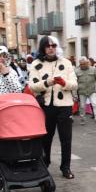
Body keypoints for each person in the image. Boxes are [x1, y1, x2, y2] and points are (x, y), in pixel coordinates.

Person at [28, 36, 78, 179]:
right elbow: (32, 86)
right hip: (46, 106)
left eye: (54, 45)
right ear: (43, 47)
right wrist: (48, 82)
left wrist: (64, 83)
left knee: (66, 139)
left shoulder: (66, 63)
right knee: (46, 138)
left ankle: (66, 167)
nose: (51, 48)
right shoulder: (36, 63)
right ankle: (45, 164)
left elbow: (74, 84)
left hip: (64, 106)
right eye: (48, 45)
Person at [75, 57, 96, 126]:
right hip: (82, 92)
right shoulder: (77, 71)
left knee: (95, 104)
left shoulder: (93, 69)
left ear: (87, 63)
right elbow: (74, 83)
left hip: (92, 91)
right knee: (82, 106)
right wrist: (75, 94)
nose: (82, 65)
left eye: (84, 64)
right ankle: (82, 119)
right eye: (81, 64)